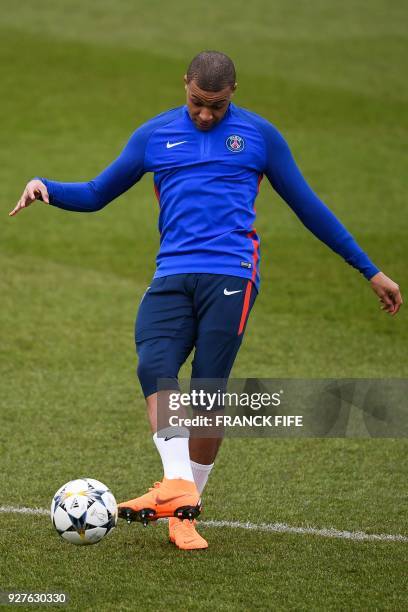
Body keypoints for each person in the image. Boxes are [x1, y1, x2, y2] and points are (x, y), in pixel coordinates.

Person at [10, 51, 402, 551]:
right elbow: (96, 192)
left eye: (215, 106)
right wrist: (47, 187)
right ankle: (179, 490)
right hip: (172, 272)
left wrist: (369, 269)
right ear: (186, 86)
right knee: (154, 363)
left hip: (233, 273)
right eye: (197, 103)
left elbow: (310, 208)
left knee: (207, 395)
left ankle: (183, 513)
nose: (204, 115)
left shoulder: (260, 137)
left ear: (232, 93)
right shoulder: (154, 135)